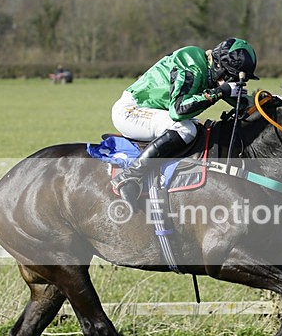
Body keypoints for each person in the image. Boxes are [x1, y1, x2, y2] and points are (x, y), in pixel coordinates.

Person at [111, 37, 259, 210]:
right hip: (131, 111)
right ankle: (130, 177)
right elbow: (178, 110)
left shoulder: (214, 71)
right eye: (231, 77)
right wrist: (219, 92)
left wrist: (271, 102)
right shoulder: (191, 64)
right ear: (219, 66)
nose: (233, 82)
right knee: (185, 129)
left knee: (201, 128)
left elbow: (244, 104)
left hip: (156, 112)